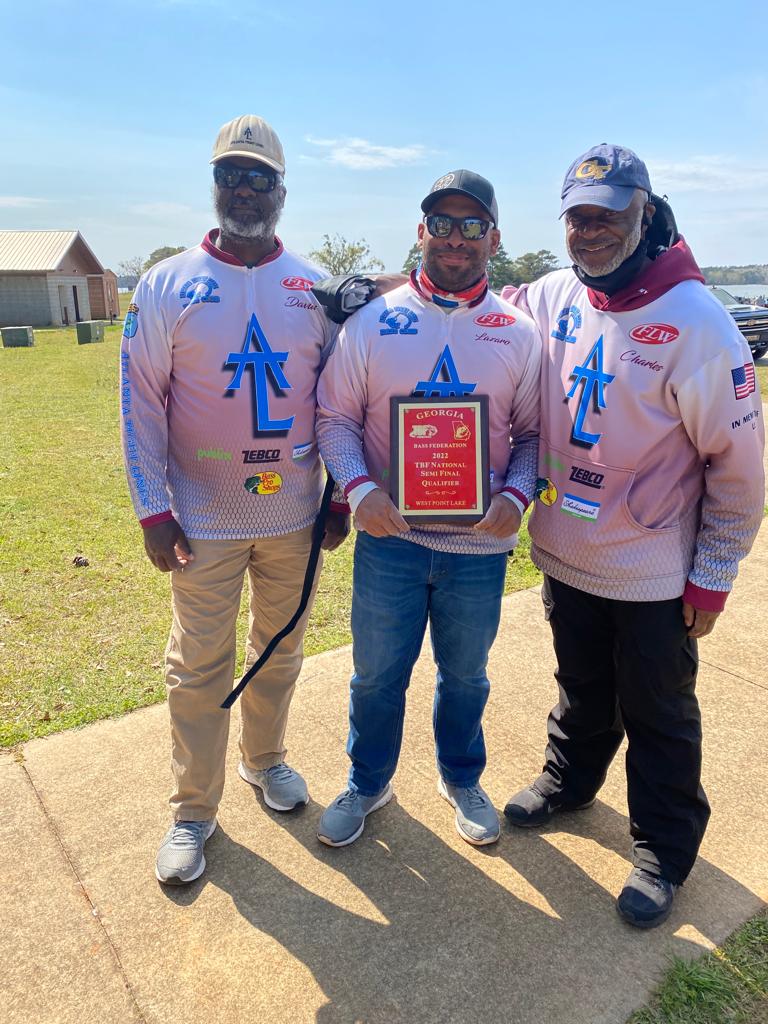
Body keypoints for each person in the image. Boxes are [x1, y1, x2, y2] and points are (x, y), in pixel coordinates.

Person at [499, 144, 764, 927]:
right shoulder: (554, 295)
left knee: (657, 709)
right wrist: (374, 292)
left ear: (645, 215)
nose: (592, 232)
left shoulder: (697, 322)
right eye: (578, 217)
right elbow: (482, 302)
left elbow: (741, 471)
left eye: (610, 215)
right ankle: (570, 780)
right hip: (566, 551)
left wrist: (713, 574)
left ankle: (664, 849)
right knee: (580, 684)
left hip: (652, 571)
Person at [120, 114, 349, 885]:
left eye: (259, 177)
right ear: (214, 185)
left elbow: (341, 402)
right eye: (231, 175)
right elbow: (142, 402)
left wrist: (342, 497)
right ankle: (193, 810)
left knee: (280, 650)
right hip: (202, 520)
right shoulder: (166, 282)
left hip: (294, 516)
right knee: (197, 667)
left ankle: (266, 760)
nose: (244, 189)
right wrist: (154, 509)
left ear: (283, 190)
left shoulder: (314, 287)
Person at [314, 170, 541, 848]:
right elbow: (334, 418)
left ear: (493, 239)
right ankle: (367, 780)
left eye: (472, 225)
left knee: (466, 675)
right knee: (377, 675)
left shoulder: (517, 332)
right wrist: (359, 489)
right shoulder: (374, 323)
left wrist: (515, 495)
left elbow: (531, 437)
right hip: (393, 540)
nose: (455, 237)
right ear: (421, 232)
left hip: (478, 551)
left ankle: (461, 776)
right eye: (441, 222)